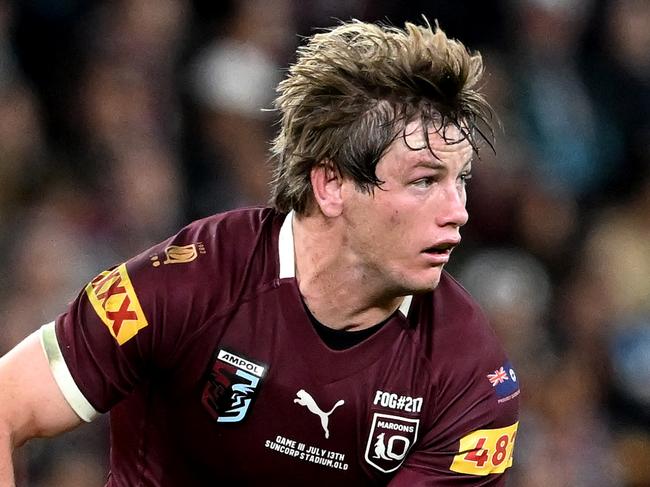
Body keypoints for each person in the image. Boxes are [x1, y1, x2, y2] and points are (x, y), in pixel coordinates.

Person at [0, 19, 520, 485]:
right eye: (425, 181)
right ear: (332, 185)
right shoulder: (185, 286)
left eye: (461, 181)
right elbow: (6, 406)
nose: (458, 211)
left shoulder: (470, 377)